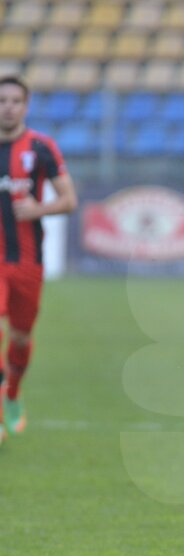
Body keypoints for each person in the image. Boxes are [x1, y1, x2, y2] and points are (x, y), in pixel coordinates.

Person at [0, 75, 78, 446]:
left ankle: (13, 393)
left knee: (20, 337)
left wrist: (37, 209)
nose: (8, 107)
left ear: (26, 106)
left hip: (28, 263)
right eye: (2, 100)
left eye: (15, 100)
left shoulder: (41, 148)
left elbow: (69, 200)